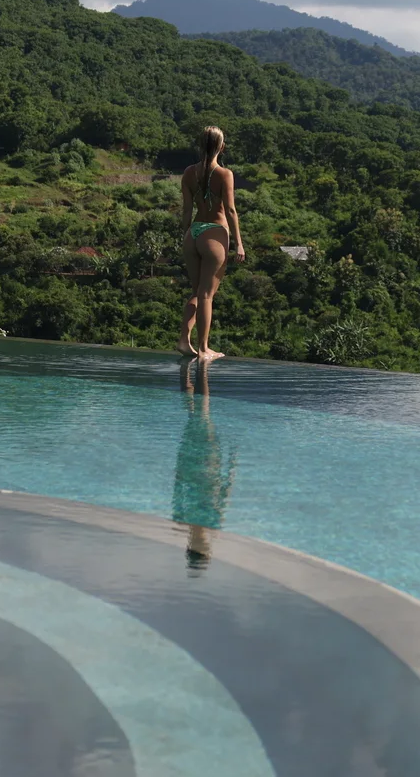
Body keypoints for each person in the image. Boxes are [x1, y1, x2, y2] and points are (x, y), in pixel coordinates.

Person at [178, 125, 242, 360]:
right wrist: (239, 244)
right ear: (221, 147)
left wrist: (186, 236)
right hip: (215, 234)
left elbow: (186, 210)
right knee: (206, 295)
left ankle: (184, 340)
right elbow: (231, 211)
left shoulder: (188, 173)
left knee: (197, 292)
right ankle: (204, 348)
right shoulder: (225, 174)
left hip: (193, 234)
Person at [172, 356, 235, 568]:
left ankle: (201, 367)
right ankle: (192, 368)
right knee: (195, 414)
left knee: (201, 413)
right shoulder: (184, 518)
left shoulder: (189, 518)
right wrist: (232, 463)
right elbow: (179, 483)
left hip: (204, 460)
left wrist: (232, 463)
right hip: (201, 460)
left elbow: (179, 484)